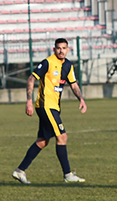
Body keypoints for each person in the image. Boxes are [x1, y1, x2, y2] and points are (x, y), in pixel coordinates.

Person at [12, 38, 87, 185]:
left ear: (68, 49)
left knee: (42, 141)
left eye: (64, 48)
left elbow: (74, 84)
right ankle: (67, 174)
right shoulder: (48, 62)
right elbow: (30, 79)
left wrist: (81, 99)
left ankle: (20, 171)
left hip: (54, 107)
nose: (61, 50)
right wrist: (29, 101)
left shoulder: (68, 65)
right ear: (54, 49)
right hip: (46, 106)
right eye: (58, 48)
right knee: (62, 137)